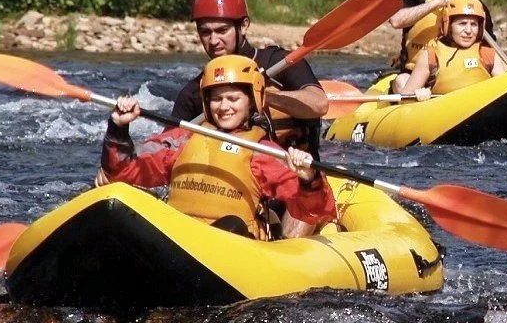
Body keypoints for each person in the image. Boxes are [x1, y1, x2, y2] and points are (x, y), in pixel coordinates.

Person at [101, 55, 335, 241]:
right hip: (178, 239)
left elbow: (312, 210)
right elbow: (124, 171)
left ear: (252, 101)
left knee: (231, 225)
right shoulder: (182, 140)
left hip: (231, 247)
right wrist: (118, 128)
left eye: (233, 99)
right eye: (216, 99)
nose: (224, 107)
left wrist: (308, 179)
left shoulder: (262, 152)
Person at [170, 0, 329, 158]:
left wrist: (261, 96)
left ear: (244, 26)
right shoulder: (194, 92)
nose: (213, 40)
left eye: (222, 30)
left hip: (297, 175)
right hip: (236, 180)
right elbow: (166, 148)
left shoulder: (279, 62)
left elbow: (320, 104)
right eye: (205, 32)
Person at [395, 0, 507, 100]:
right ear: (448, 26)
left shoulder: (488, 55)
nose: (468, 31)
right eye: (462, 24)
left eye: (473, 24)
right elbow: (405, 98)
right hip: (443, 113)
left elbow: (506, 91)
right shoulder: (431, 56)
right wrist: (418, 95)